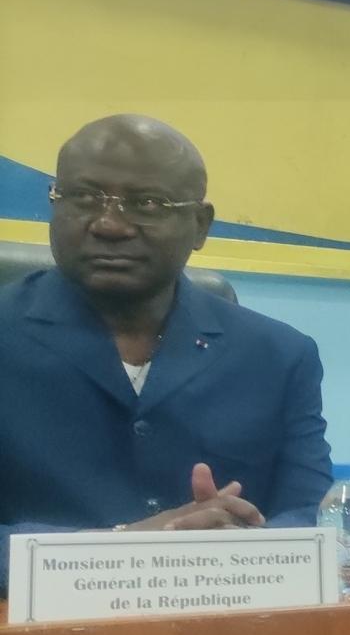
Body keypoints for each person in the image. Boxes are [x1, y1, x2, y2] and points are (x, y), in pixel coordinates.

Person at [0, 115, 332, 589]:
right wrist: (126, 548)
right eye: (83, 197)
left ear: (200, 225)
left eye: (148, 203)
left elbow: (313, 518)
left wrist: (234, 553)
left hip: (223, 623)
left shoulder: (279, 355)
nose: (109, 224)